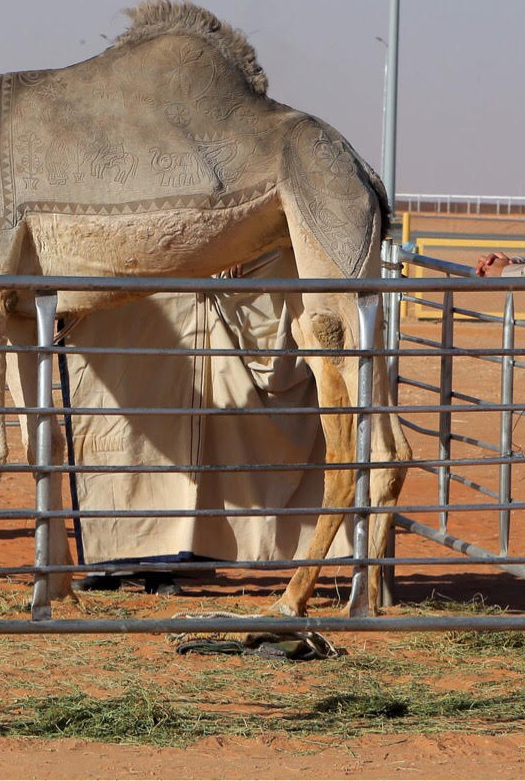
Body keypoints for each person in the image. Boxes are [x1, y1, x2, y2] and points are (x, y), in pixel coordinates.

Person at [57, 249, 350, 596]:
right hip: (121, 290)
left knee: (168, 431)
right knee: (115, 426)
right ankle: (106, 560)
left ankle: (158, 565)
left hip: (173, 300)